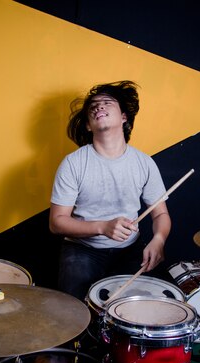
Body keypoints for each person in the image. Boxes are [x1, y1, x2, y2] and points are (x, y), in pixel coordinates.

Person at [49, 80, 172, 300]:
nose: (98, 107)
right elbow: (57, 222)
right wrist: (102, 227)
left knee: (151, 304)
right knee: (73, 310)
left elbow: (160, 213)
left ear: (124, 117)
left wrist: (159, 240)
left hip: (130, 248)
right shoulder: (73, 163)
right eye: (93, 107)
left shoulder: (143, 163)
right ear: (88, 125)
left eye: (107, 102)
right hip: (82, 249)